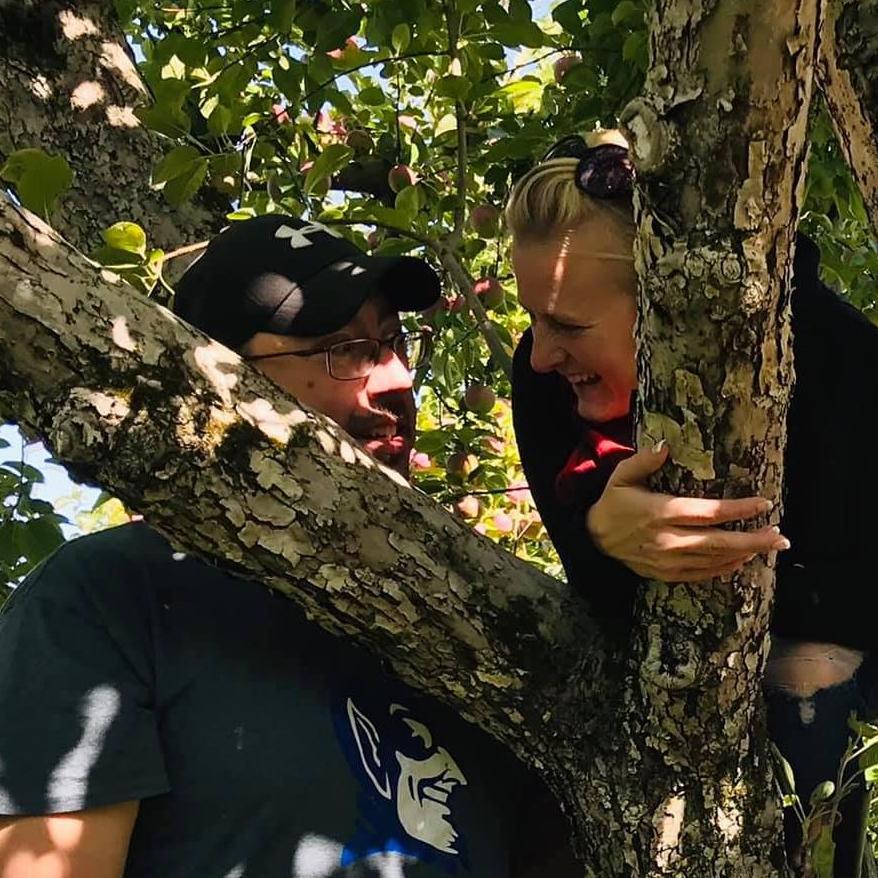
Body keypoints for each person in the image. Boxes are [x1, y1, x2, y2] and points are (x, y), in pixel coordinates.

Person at [0, 215, 576, 878]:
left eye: (393, 343)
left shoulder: (482, 617)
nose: (394, 380)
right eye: (346, 351)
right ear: (225, 383)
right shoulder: (105, 598)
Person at [507, 131, 878, 876]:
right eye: (535, 320)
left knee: (810, 687)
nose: (543, 353)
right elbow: (598, 600)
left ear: (671, 305)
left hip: (842, 640)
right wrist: (599, 536)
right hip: (658, 719)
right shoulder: (543, 382)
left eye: (569, 327)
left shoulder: (839, 362)